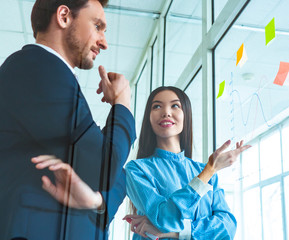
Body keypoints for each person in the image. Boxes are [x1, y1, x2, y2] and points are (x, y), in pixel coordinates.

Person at [0, 0, 136, 239]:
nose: (104, 42)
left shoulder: (56, 77)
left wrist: (95, 198)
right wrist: (122, 102)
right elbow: (107, 167)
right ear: (64, 16)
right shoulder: (37, 69)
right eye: (97, 26)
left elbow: (114, 177)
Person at [123, 86, 251, 239]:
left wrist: (176, 233)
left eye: (175, 105)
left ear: (186, 115)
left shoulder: (205, 170)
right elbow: (165, 218)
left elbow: (227, 227)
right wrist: (208, 171)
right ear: (148, 118)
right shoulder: (137, 169)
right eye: (157, 106)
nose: (166, 112)